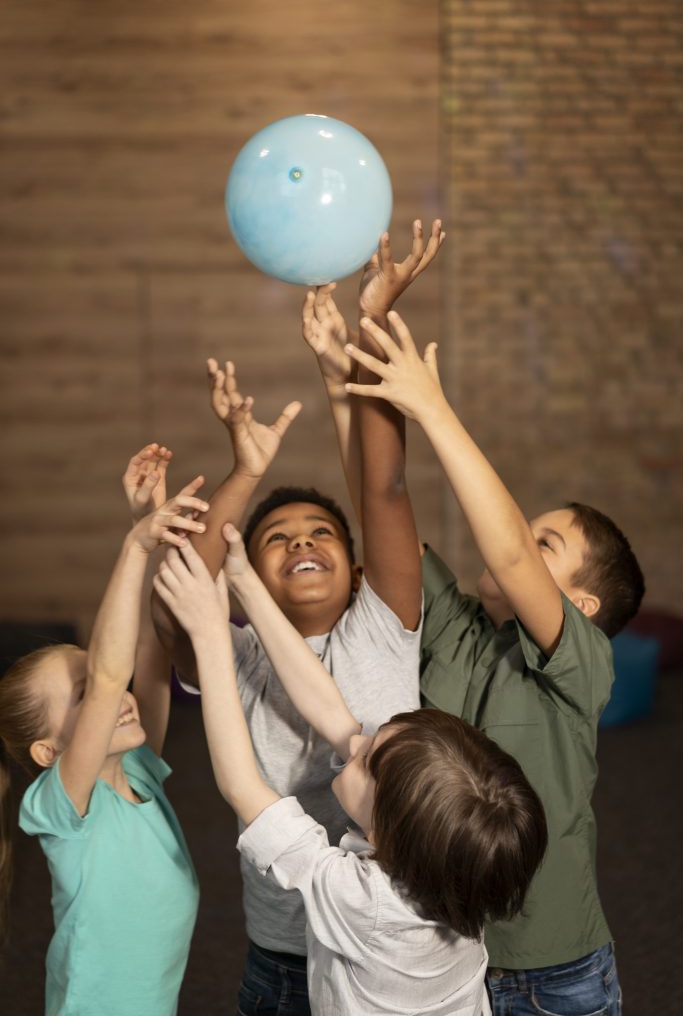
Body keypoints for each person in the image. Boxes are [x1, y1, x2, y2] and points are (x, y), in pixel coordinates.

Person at [151, 221, 445, 1016]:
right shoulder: (238, 652)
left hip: (399, 933)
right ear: (255, 576)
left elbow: (381, 490)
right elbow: (185, 591)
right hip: (284, 946)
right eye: (277, 541)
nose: (302, 543)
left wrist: (369, 330)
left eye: (321, 534)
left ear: (355, 568)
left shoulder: (383, 621)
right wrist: (246, 472)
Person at [342, 311, 645, 1016]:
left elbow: (506, 551)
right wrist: (359, 371)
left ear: (582, 604)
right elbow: (381, 504)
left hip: (555, 975)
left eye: (546, 544)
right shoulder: (461, 633)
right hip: (450, 958)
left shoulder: (582, 665)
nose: (514, 540)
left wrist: (434, 406)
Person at [153, 529, 548, 1016]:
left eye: (364, 759)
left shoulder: (366, 902)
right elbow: (332, 712)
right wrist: (243, 581)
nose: (355, 740)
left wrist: (211, 634)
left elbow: (241, 784)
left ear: (385, 829)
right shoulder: (453, 868)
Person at [0, 445, 206, 1016]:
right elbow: (115, 669)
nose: (112, 696)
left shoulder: (140, 771)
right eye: (86, 695)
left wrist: (153, 528)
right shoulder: (63, 805)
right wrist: (134, 544)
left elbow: (144, 651)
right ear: (48, 750)